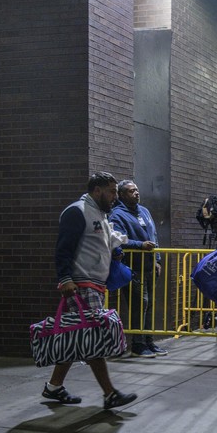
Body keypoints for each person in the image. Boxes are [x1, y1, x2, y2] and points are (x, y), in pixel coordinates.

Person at [42, 172, 137, 410]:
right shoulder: (77, 211)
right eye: (112, 191)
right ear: (97, 190)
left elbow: (98, 242)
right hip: (80, 284)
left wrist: (113, 251)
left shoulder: (101, 214)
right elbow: (63, 248)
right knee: (94, 338)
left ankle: (54, 387)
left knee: (77, 337)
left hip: (94, 284)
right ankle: (110, 393)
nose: (115, 197)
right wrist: (64, 278)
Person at [109, 179, 166, 357]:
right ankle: (138, 345)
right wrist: (140, 245)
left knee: (149, 305)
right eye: (131, 191)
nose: (136, 193)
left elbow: (153, 235)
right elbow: (118, 239)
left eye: (137, 190)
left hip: (150, 266)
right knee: (139, 305)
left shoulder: (144, 211)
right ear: (122, 195)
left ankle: (149, 341)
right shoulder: (117, 214)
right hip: (133, 267)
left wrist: (157, 260)